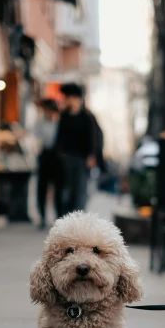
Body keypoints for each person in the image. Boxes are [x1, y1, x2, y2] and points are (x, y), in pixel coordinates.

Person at [56, 82, 97, 215]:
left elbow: (93, 138)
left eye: (70, 98)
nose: (68, 101)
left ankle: (78, 217)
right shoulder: (64, 116)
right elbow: (60, 136)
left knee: (80, 189)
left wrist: (91, 155)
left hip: (81, 158)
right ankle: (65, 217)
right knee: (66, 190)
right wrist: (60, 153)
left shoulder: (87, 117)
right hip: (66, 157)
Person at [33, 98, 61, 229]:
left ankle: (59, 217)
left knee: (58, 188)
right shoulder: (39, 123)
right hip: (44, 155)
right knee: (42, 188)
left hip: (57, 156)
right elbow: (35, 138)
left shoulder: (59, 123)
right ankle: (42, 216)